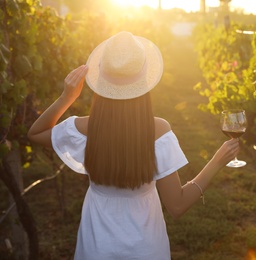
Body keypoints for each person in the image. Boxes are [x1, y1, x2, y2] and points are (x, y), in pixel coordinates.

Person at [28, 31, 240, 260]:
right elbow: (177, 206)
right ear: (143, 83)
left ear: (100, 80)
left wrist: (67, 97)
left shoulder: (84, 129)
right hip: (147, 248)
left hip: (97, 247)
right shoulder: (158, 130)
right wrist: (217, 161)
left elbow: (36, 133)